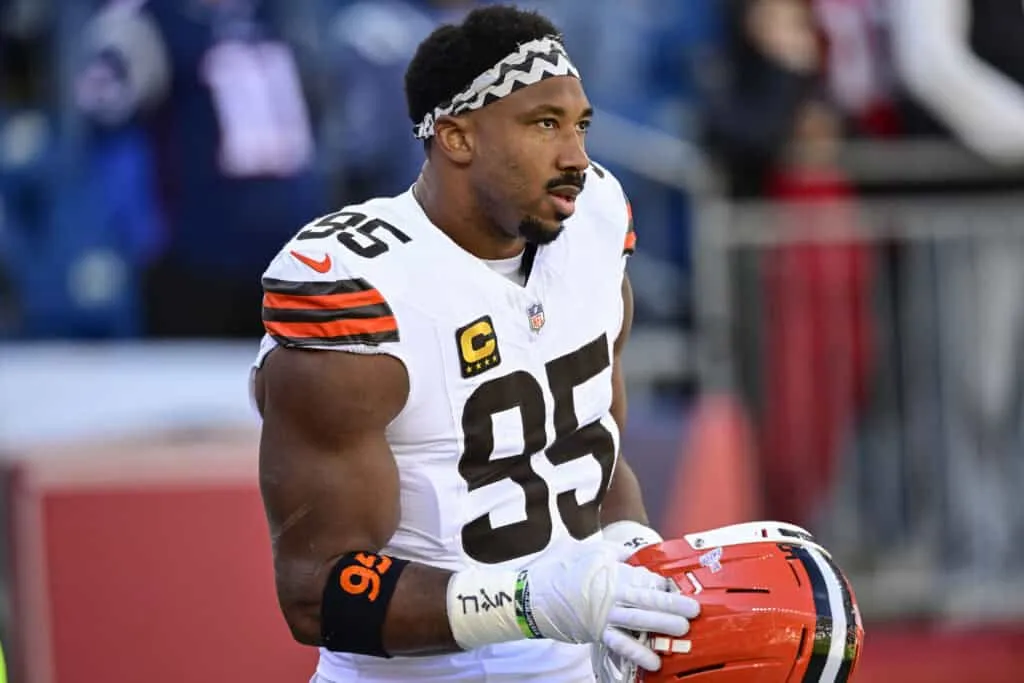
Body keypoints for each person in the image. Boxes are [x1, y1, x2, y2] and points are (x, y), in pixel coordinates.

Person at [252, 5, 700, 682]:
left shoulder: (596, 224)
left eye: (580, 125)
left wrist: (630, 553)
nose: (575, 157)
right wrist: (528, 600)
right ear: (458, 137)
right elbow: (317, 592)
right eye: (543, 124)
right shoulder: (359, 289)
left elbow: (591, 461)